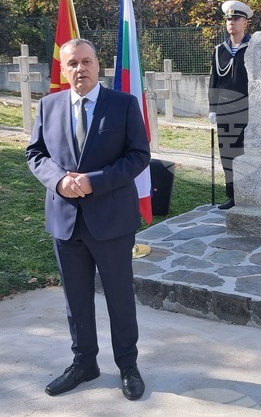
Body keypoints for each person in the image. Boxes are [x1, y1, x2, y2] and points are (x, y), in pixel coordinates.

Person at [26, 38, 150, 401]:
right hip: (65, 221)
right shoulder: (49, 106)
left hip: (111, 220)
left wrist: (92, 182)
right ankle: (84, 363)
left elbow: (138, 156)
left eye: (86, 61)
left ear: (98, 65)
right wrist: (60, 180)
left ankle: (127, 365)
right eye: (72, 64)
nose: (80, 69)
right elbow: (35, 154)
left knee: (119, 298)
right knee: (76, 299)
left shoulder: (123, 105)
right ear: (63, 70)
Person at [208, 0, 253, 210]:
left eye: (236, 19)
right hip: (226, 110)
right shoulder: (220, 50)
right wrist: (212, 108)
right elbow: (214, 81)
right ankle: (232, 195)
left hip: (247, 109)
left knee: (247, 153)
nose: (231, 23)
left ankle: (249, 194)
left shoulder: (253, 48)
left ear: (245, 22)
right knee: (228, 154)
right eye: (228, 19)